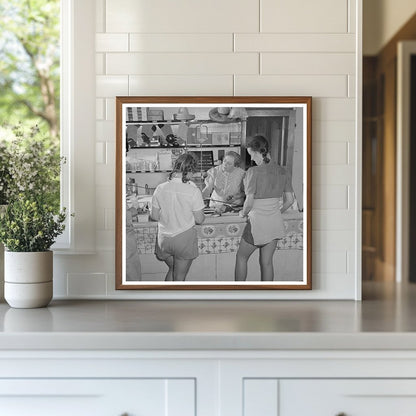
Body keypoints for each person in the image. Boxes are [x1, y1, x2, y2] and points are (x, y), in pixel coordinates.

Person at [235, 135, 294, 282]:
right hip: (274, 223)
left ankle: (237, 294)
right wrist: (276, 212)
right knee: (267, 263)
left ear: (256, 152)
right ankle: (268, 296)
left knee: (241, 258)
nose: (252, 159)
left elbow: (248, 203)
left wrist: (243, 213)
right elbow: (290, 201)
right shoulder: (282, 171)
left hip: (257, 224)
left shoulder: (253, 172)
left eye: (251, 155)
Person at [151, 153, 205, 281]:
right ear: (190, 170)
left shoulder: (160, 188)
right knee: (179, 278)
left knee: (173, 269)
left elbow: (154, 216)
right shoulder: (193, 190)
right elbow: (199, 219)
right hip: (183, 238)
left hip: (163, 239)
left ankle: (166, 299)